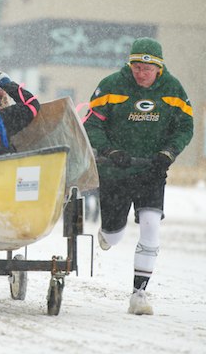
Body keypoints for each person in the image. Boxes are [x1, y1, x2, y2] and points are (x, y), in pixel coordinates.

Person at [83, 37, 193, 315]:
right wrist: (110, 149)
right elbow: (92, 123)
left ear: (159, 68)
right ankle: (108, 233)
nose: (140, 73)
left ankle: (139, 294)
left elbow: (185, 127)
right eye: (136, 67)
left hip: (150, 170)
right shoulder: (110, 86)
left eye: (147, 69)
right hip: (115, 171)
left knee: (151, 225)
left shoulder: (174, 90)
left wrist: (168, 154)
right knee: (114, 235)